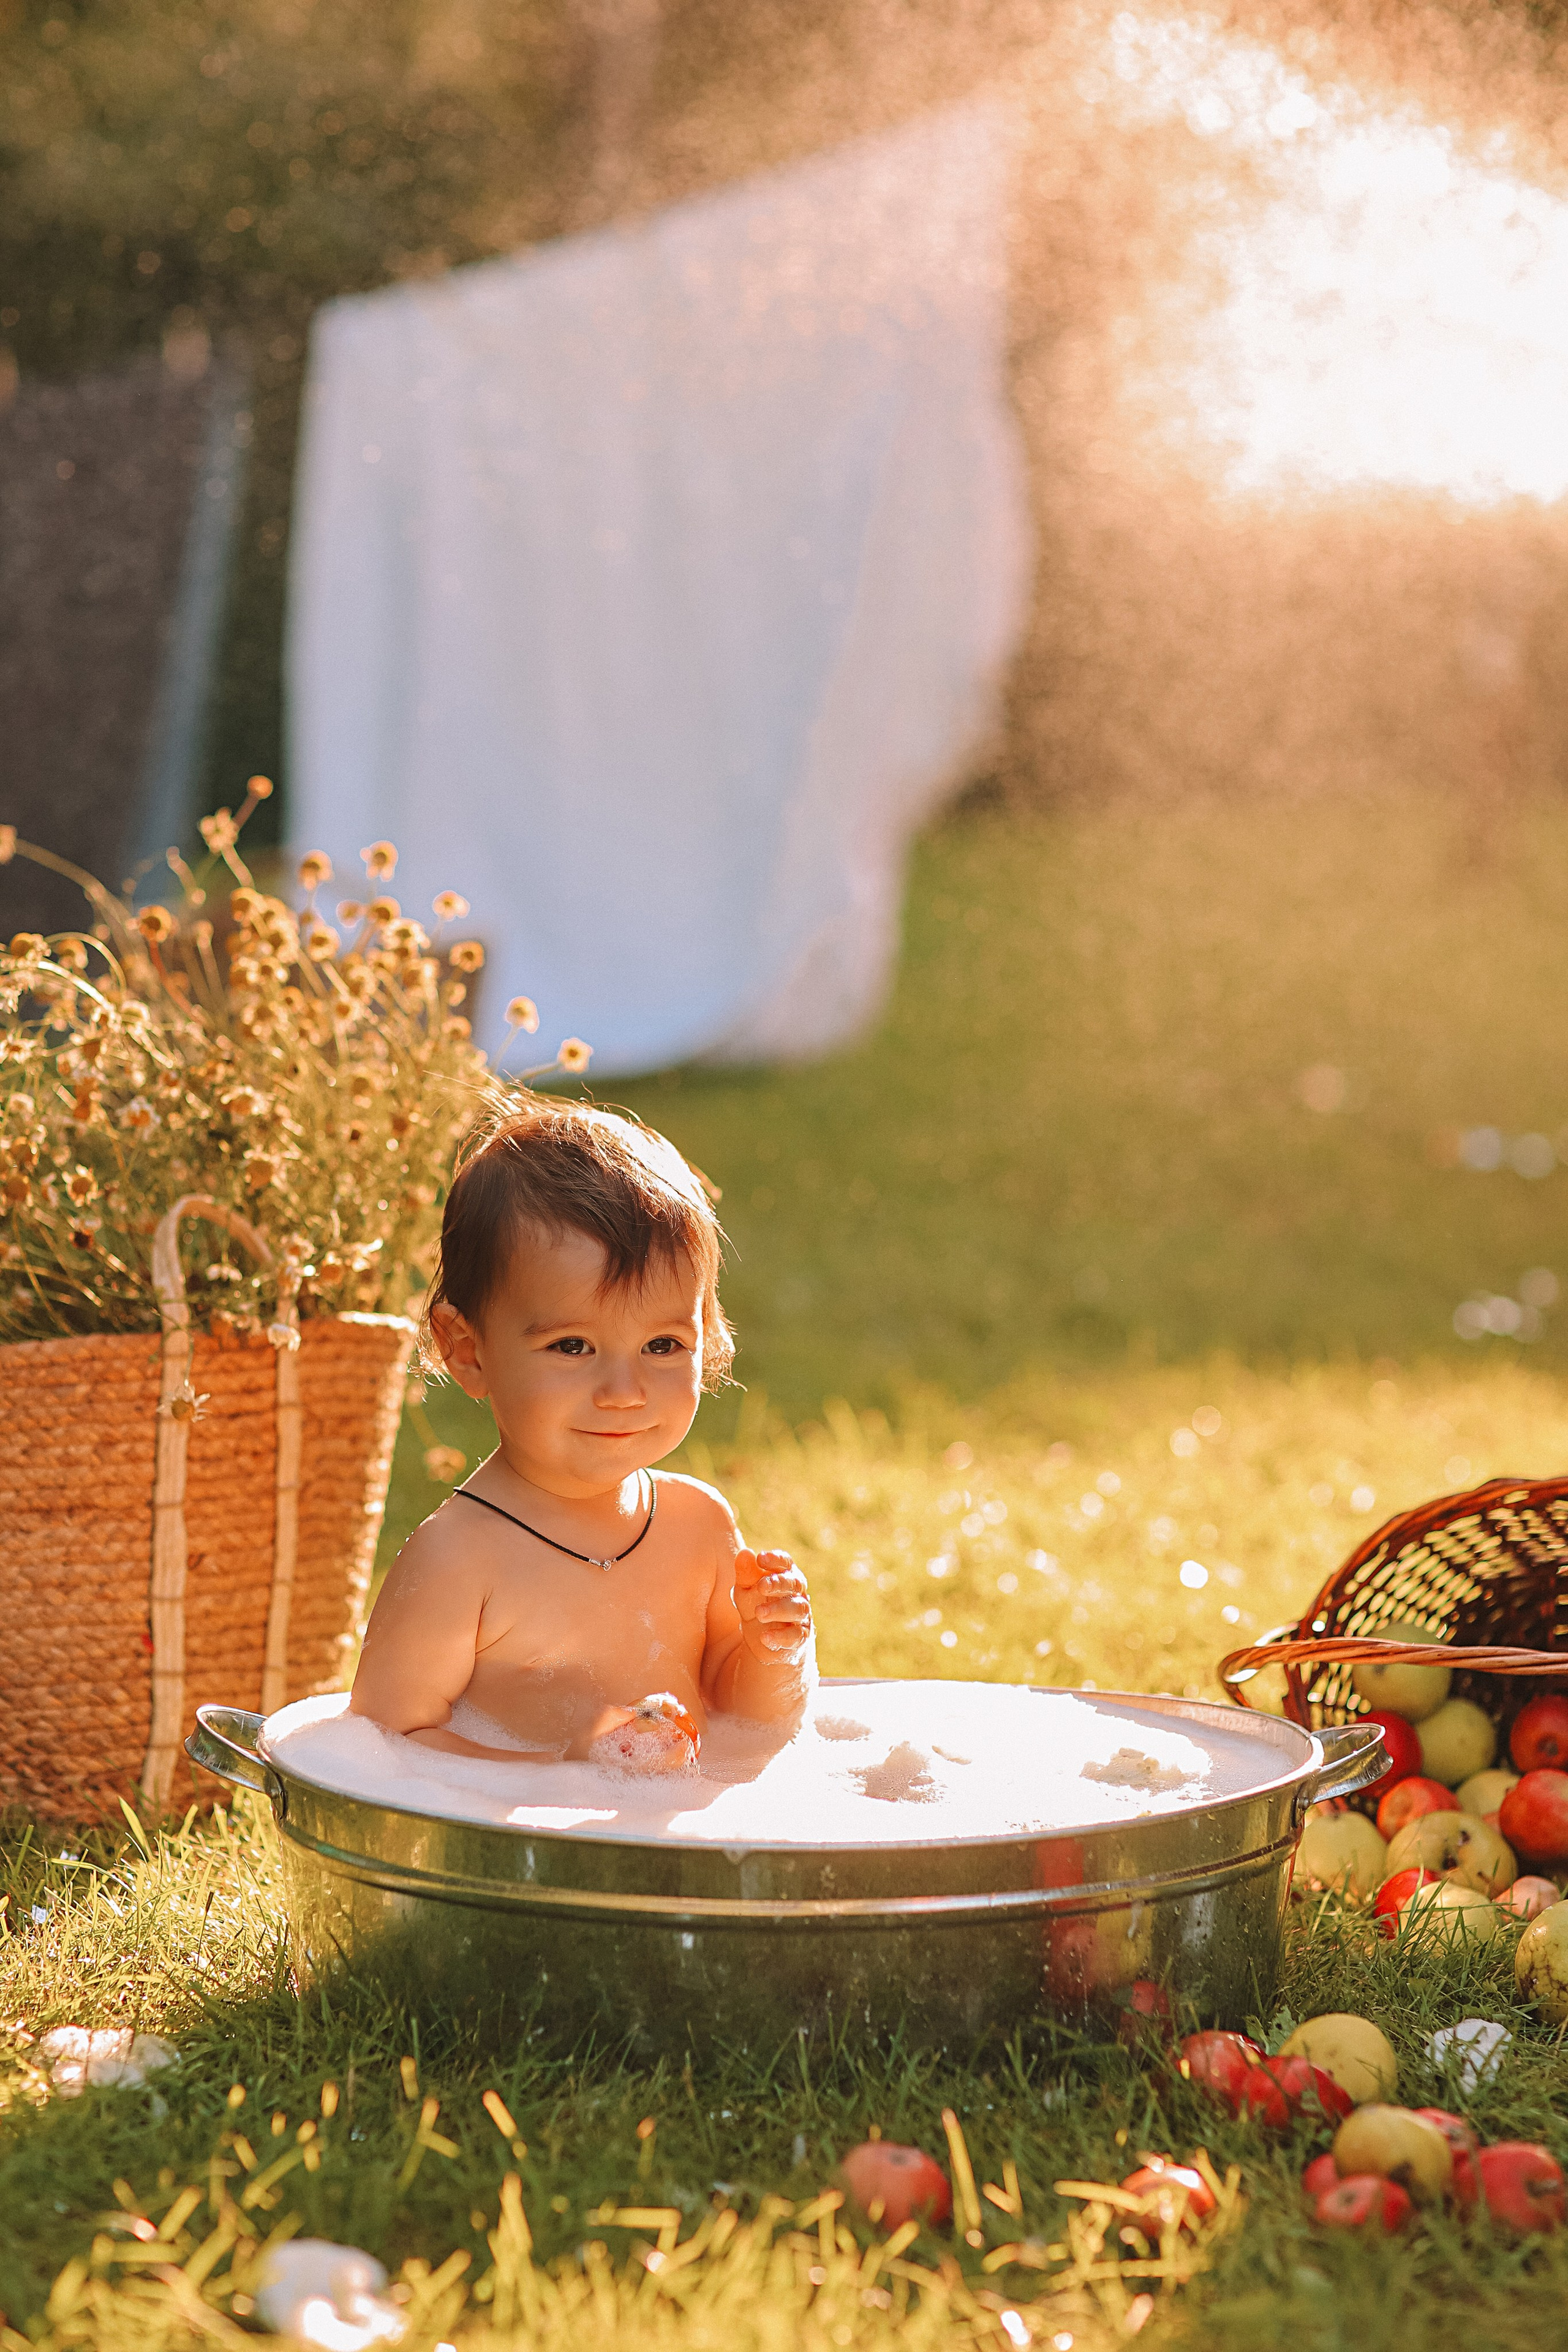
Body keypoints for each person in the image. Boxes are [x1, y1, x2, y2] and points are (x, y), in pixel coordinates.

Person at [350, 1096, 814, 1774]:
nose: (623, 1391)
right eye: (572, 1346)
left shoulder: (699, 1523)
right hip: (523, 1861)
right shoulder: (460, 1559)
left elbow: (741, 1714)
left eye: (661, 1344)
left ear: (707, 1339)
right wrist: (559, 1769)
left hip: (678, 1850)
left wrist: (769, 1654)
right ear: (467, 1350)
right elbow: (382, 1750)